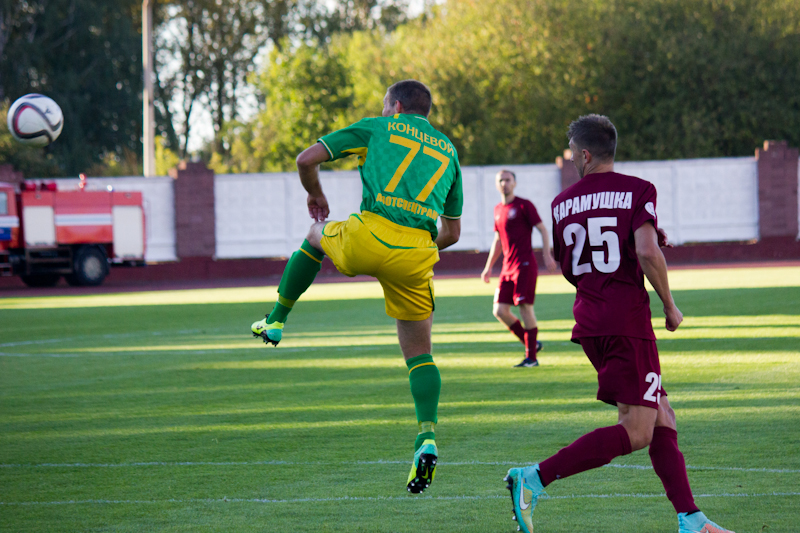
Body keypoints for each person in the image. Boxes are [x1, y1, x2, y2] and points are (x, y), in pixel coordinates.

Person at [503, 115, 734, 533]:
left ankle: (691, 519)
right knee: (637, 429)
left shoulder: (561, 203)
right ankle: (533, 478)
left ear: (585, 154)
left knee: (662, 415)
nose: (572, 159)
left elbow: (572, 267)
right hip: (627, 321)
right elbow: (646, 252)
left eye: (572, 153)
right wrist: (670, 305)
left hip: (592, 319)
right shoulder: (638, 190)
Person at [250, 80, 462, 494]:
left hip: (368, 236)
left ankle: (275, 320)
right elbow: (452, 233)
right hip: (417, 254)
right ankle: (427, 436)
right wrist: (411, 249)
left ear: (395, 106)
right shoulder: (449, 151)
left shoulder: (378, 127)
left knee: (315, 234)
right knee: (420, 355)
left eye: (385, 106)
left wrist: (316, 194)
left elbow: (305, 159)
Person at [481, 170, 557, 367]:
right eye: (501, 180)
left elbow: (543, 229)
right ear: (497, 184)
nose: (504, 183)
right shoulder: (498, 209)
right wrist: (488, 267)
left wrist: (547, 254)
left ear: (514, 183)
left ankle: (531, 358)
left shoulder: (524, 205)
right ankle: (532, 344)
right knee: (499, 310)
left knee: (525, 308)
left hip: (524, 265)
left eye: (508, 180)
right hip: (507, 267)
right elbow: (498, 240)